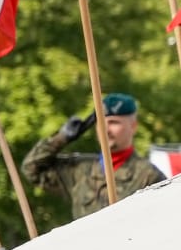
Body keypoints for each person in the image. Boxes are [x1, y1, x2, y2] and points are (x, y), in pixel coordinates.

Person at [22, 92, 165, 220]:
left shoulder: (149, 176)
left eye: (113, 123)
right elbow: (31, 169)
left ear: (133, 126)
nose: (106, 130)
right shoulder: (79, 169)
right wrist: (61, 138)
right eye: (101, 123)